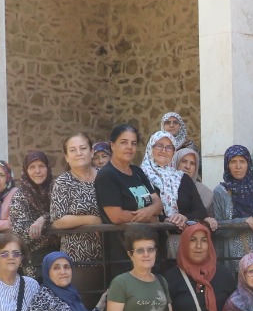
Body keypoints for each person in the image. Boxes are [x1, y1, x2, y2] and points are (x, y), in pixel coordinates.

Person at [95, 123, 165, 275]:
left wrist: (149, 211)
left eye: (133, 143)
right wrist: (149, 218)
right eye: (124, 142)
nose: (129, 147)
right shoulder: (107, 176)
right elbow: (117, 216)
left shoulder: (137, 172)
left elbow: (158, 202)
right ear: (112, 145)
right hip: (123, 254)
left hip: (149, 249)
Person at [49, 133, 107, 300]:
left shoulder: (105, 176)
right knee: (85, 307)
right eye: (73, 150)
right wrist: (92, 220)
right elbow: (58, 220)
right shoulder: (63, 182)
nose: (79, 153)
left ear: (91, 152)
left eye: (83, 148)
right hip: (78, 259)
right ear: (67, 157)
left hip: (110, 254)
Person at [212, 144, 253, 269]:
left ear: (248, 164)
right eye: (233, 162)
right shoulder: (220, 192)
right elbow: (218, 227)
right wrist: (243, 221)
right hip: (230, 258)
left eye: (242, 161)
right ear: (227, 165)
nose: (238, 166)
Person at [141, 130, 209, 231]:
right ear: (151, 148)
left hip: (181, 238)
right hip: (152, 238)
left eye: (169, 147)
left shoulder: (182, 178)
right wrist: (164, 220)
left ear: (173, 152)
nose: (163, 151)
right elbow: (140, 207)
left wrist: (184, 217)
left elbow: (201, 211)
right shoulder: (140, 175)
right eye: (159, 146)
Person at [8, 150, 59, 276]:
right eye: (32, 167)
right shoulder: (20, 196)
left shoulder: (57, 189)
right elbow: (21, 230)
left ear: (47, 168)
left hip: (60, 254)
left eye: (41, 166)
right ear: (26, 170)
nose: (37, 171)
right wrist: (50, 223)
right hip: (33, 258)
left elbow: (63, 213)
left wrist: (43, 219)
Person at [174, 146, 217, 219]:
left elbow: (209, 220)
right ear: (176, 163)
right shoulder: (165, 186)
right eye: (184, 161)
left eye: (192, 163)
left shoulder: (205, 192)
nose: (187, 166)